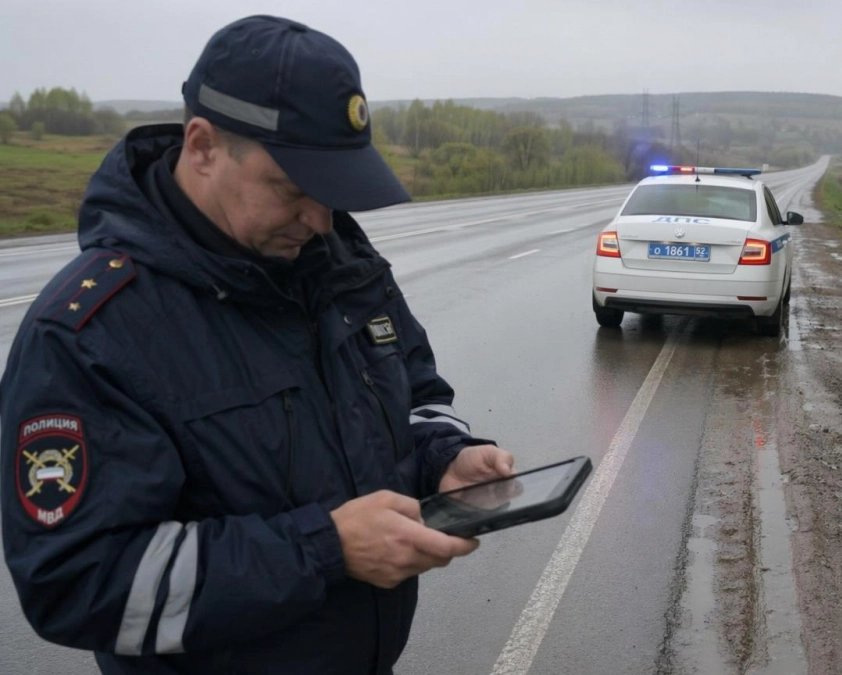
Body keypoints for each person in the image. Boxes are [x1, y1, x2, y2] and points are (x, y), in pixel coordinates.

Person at [0, 15, 514, 674]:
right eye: (294, 190)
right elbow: (76, 579)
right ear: (204, 146)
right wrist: (323, 548)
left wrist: (445, 456)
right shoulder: (93, 332)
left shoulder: (341, 267)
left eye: (332, 194)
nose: (320, 220)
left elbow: (415, 394)